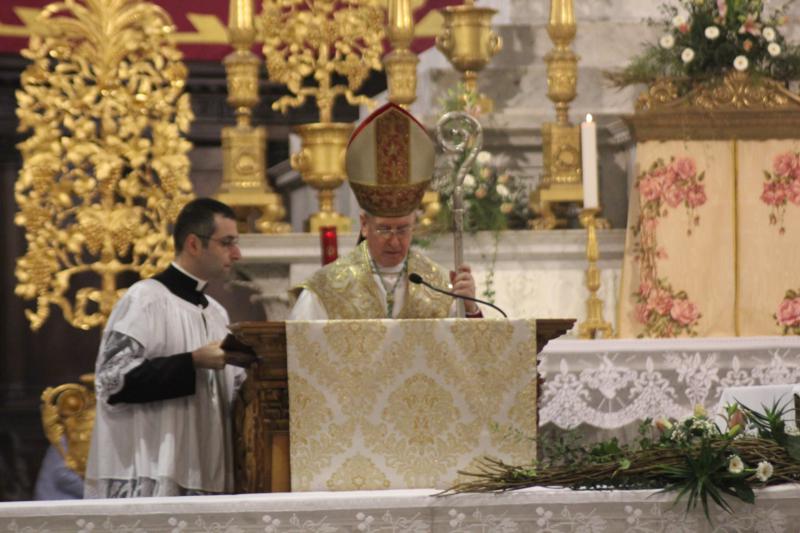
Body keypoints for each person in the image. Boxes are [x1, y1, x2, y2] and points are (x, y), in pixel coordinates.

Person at [84, 198, 246, 498]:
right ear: (194, 244)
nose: (236, 254)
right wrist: (191, 361)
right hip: (150, 470)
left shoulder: (217, 313)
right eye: (227, 243)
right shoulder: (145, 299)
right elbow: (111, 380)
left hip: (207, 469)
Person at [289, 103, 481, 320]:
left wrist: (470, 308)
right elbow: (301, 338)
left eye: (403, 229)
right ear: (364, 224)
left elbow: (469, 340)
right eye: (384, 229)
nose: (394, 241)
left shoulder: (440, 285)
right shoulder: (326, 290)